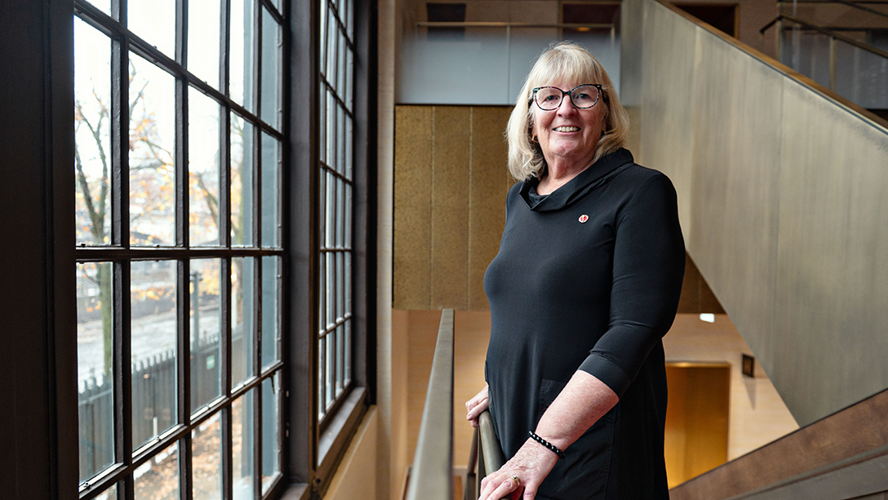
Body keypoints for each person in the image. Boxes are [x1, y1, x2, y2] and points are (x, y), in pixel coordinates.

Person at [465, 42, 685, 500]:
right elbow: (535, 306)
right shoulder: (521, 198)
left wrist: (547, 439)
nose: (566, 108)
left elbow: (635, 328)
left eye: (584, 95)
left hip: (585, 442)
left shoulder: (641, 192)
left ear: (605, 114)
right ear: (530, 116)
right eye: (549, 96)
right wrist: (506, 379)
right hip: (522, 422)